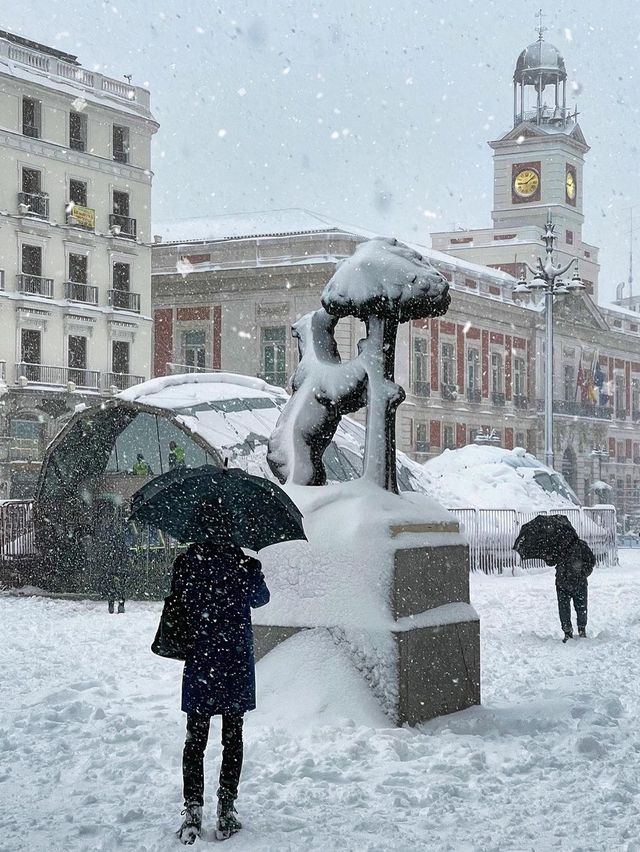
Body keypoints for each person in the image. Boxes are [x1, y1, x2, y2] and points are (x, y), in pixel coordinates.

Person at [172, 504, 270, 845]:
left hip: (201, 660)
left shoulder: (187, 564)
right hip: (234, 661)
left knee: (194, 739)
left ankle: (193, 807)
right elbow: (262, 598)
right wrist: (251, 569)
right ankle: (226, 806)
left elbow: (178, 603)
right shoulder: (244, 565)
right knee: (233, 735)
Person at [548, 537, 596, 642]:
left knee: (580, 607)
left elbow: (591, 561)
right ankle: (568, 631)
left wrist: (582, 573)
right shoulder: (557, 546)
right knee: (566, 608)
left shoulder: (580, 545)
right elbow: (551, 561)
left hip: (577, 582)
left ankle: (581, 629)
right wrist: (549, 555)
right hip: (563, 583)